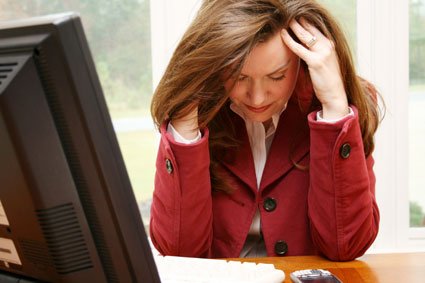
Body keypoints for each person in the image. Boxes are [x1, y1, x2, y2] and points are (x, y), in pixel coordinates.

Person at [149, 0, 381, 261]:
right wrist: (185, 129)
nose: (257, 98)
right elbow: (180, 254)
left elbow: (346, 246)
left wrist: (335, 108)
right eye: (239, 77)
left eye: (277, 76)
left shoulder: (337, 107)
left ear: (300, 61)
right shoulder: (198, 110)